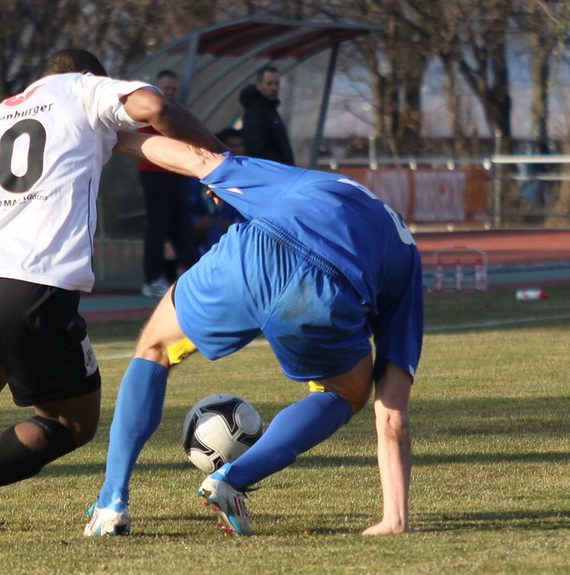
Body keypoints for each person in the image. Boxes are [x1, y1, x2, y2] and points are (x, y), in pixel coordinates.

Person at [0, 49, 223, 536]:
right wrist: (223, 160)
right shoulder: (84, 90)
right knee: (72, 424)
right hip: (35, 286)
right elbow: (157, 108)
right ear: (89, 74)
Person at [84, 130, 421, 537]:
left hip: (252, 258)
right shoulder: (407, 257)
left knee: (154, 348)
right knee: (345, 393)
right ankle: (232, 478)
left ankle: (111, 502)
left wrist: (113, 138)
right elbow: (393, 412)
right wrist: (395, 518)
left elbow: (197, 160)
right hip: (326, 295)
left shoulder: (313, 181)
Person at [137, 70, 201, 298]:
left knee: (180, 226)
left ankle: (197, 275)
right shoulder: (150, 111)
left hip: (176, 173)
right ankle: (152, 279)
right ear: (157, 88)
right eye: (166, 88)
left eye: (174, 88)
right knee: (158, 226)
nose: (170, 92)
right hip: (155, 173)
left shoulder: (177, 112)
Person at [239, 66, 295, 165]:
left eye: (277, 83)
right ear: (259, 85)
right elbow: (257, 148)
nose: (274, 88)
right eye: (269, 84)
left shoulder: (270, 110)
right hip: (272, 172)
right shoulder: (255, 112)